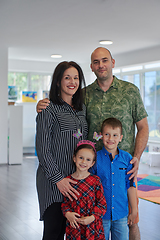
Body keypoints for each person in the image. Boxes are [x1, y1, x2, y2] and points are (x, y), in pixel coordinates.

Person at [36, 47, 149, 240]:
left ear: (112, 63)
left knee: (129, 222)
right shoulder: (78, 98)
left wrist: (137, 158)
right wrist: (41, 105)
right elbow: (43, 146)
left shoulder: (127, 92)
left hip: (119, 170)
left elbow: (144, 127)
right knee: (72, 229)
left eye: (105, 60)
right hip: (77, 176)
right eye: (96, 62)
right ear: (91, 67)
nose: (101, 65)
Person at [36, 61, 88, 240]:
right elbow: (43, 149)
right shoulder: (47, 109)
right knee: (54, 233)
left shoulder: (81, 110)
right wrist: (58, 180)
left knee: (73, 233)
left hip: (75, 183)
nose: (72, 81)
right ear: (58, 82)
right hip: (53, 183)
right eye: (67, 77)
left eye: (76, 77)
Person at [90, 118, 137, 240]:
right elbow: (91, 187)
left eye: (115, 135)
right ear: (101, 136)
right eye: (107, 134)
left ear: (120, 138)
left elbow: (131, 186)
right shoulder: (95, 158)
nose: (111, 139)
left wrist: (134, 210)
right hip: (100, 215)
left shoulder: (127, 159)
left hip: (121, 214)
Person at [61, 140, 107, 240]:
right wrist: (68, 214)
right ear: (74, 158)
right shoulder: (68, 181)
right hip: (75, 227)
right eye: (81, 158)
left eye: (88, 159)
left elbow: (102, 204)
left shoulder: (95, 180)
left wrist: (92, 217)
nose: (83, 162)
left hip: (92, 226)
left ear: (92, 163)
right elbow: (65, 203)